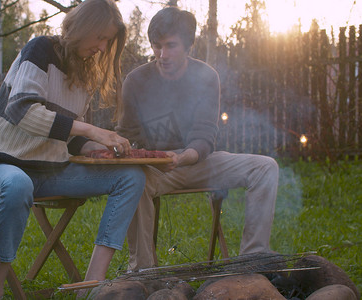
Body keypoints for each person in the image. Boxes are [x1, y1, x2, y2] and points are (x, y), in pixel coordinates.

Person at [0, 0, 146, 298]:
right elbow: (23, 112)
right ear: (83, 28)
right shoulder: (40, 50)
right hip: (2, 169)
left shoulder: (87, 73)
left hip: (52, 173)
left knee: (131, 176)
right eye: (101, 37)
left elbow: (71, 136)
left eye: (108, 41)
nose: (103, 48)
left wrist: (99, 146)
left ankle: (91, 285)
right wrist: (92, 130)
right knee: (18, 184)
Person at [116, 6, 279, 271]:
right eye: (157, 46)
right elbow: (128, 135)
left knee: (265, 167)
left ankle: (252, 259)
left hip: (198, 161)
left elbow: (205, 136)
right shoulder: (136, 81)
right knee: (132, 180)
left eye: (171, 46)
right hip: (155, 169)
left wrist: (182, 157)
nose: (162, 54)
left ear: (189, 45)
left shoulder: (206, 77)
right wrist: (143, 156)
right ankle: (142, 272)